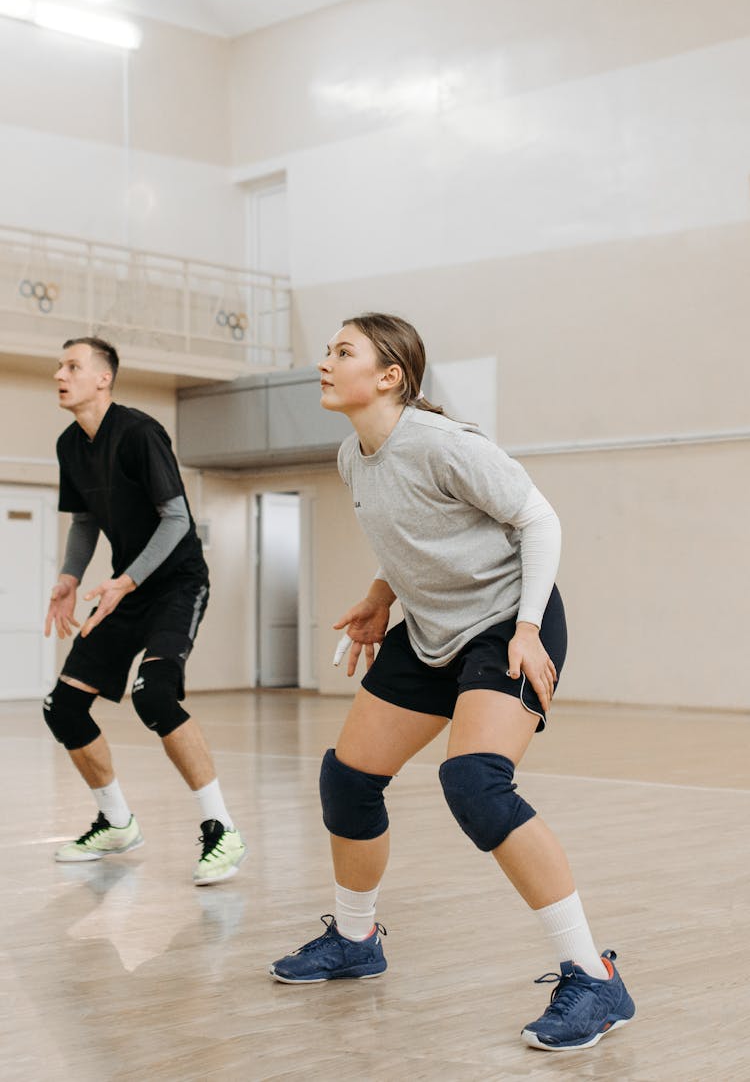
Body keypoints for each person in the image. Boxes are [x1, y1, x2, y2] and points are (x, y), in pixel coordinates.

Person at [269, 314, 635, 1051]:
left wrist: (528, 628)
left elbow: (539, 520)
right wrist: (381, 595)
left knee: (475, 781)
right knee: (348, 779)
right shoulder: (354, 456)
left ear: (389, 376)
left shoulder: (442, 443)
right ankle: (354, 938)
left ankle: (593, 978)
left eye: (343, 352)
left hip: (507, 620)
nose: (324, 362)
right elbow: (413, 538)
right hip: (433, 630)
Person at [43, 336, 246, 886]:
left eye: (72, 365)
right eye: (60, 365)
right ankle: (116, 823)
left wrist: (125, 580)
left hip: (175, 583)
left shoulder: (139, 433)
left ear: (103, 378)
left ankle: (221, 829)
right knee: (63, 707)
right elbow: (85, 522)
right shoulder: (70, 445)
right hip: (124, 589)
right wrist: (69, 578)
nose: (60, 373)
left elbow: (176, 519)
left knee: (154, 694)